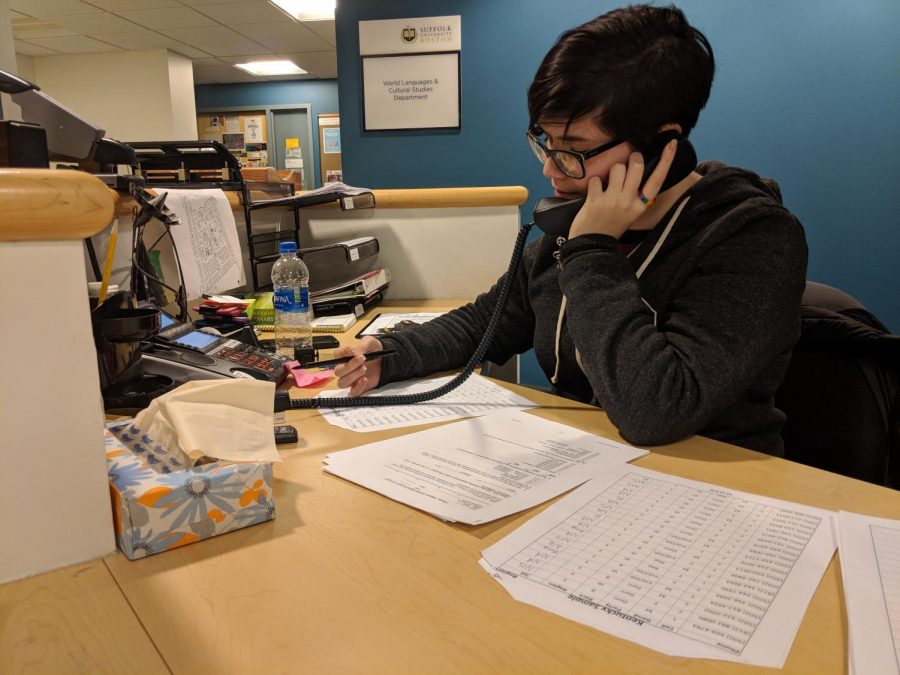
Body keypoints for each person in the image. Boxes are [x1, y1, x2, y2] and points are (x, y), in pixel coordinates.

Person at [333, 4, 808, 456]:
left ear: (665, 144)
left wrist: (591, 250)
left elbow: (657, 410)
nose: (551, 170)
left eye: (575, 150)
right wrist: (390, 352)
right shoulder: (574, 228)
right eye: (546, 142)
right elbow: (488, 321)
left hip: (714, 489)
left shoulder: (753, 238)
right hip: (586, 465)